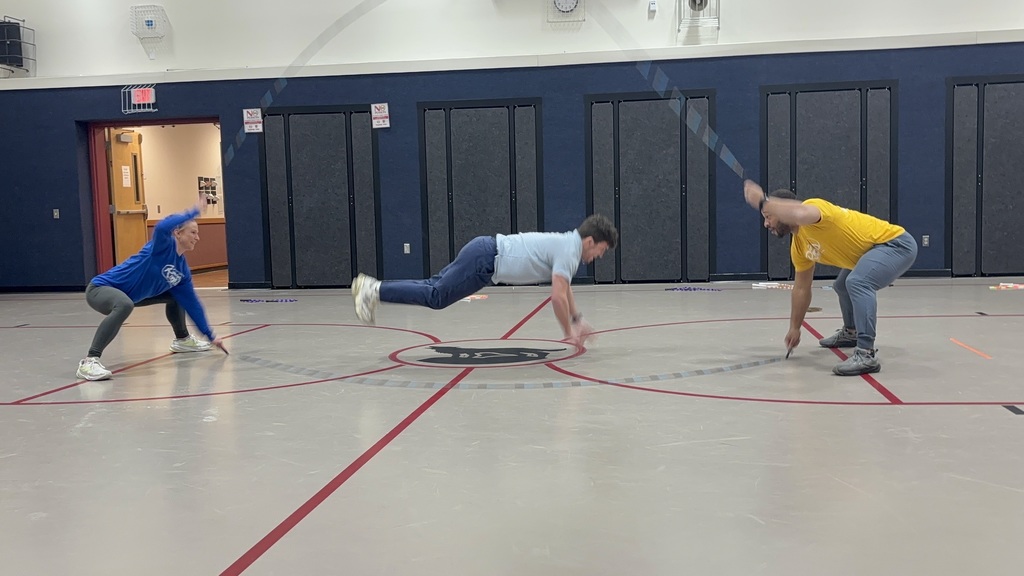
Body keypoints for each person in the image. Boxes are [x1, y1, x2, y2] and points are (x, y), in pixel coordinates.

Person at [351, 215, 619, 346]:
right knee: (436, 296)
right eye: (601, 250)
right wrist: (569, 334)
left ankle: (374, 289)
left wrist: (576, 318)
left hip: (483, 255)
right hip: (484, 259)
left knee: (433, 287)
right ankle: (373, 289)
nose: (599, 256)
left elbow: (565, 288)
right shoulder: (570, 250)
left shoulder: (569, 246)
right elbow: (558, 296)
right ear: (589, 241)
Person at [743, 180, 918, 376]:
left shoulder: (815, 208)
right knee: (842, 285)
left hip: (895, 245)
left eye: (768, 217)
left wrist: (763, 200)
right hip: (868, 254)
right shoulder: (799, 246)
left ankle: (866, 354)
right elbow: (802, 288)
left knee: (858, 282)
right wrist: (795, 328)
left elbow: (800, 213)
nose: (766, 224)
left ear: (784, 212)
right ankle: (851, 332)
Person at [76, 199, 226, 381]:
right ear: (178, 233)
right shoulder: (162, 247)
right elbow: (163, 227)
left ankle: (183, 340)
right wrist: (192, 212)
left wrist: (210, 335)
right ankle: (90, 361)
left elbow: (192, 303)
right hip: (101, 289)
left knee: (176, 296)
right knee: (124, 304)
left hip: (133, 297)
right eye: (193, 232)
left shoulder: (181, 270)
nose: (197, 237)